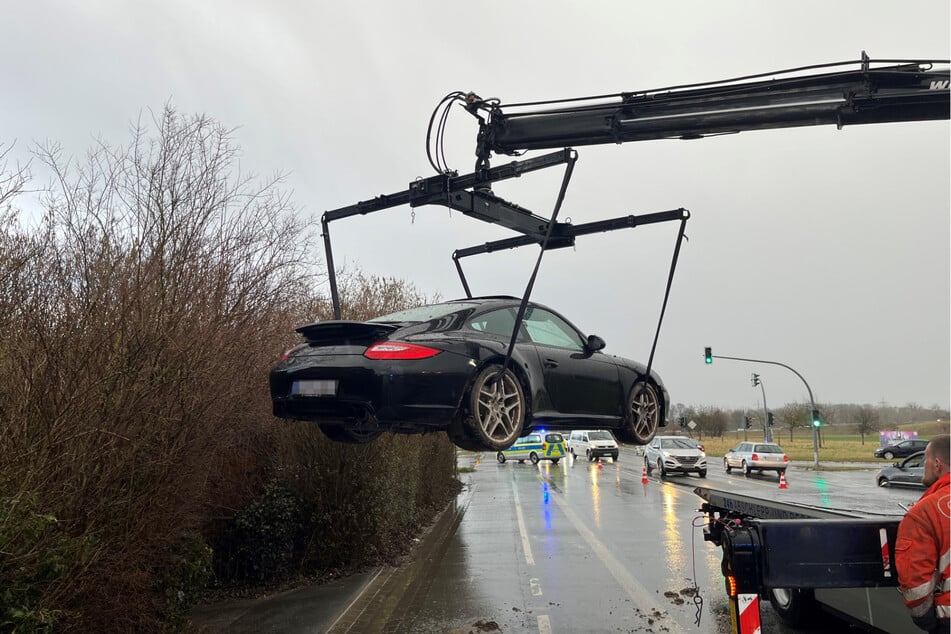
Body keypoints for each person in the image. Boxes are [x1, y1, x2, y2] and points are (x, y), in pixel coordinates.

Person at [896, 434, 950, 633]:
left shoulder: (924, 512)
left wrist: (928, 622)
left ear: (937, 465)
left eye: (925, 459)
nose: (922, 465)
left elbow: (916, 580)